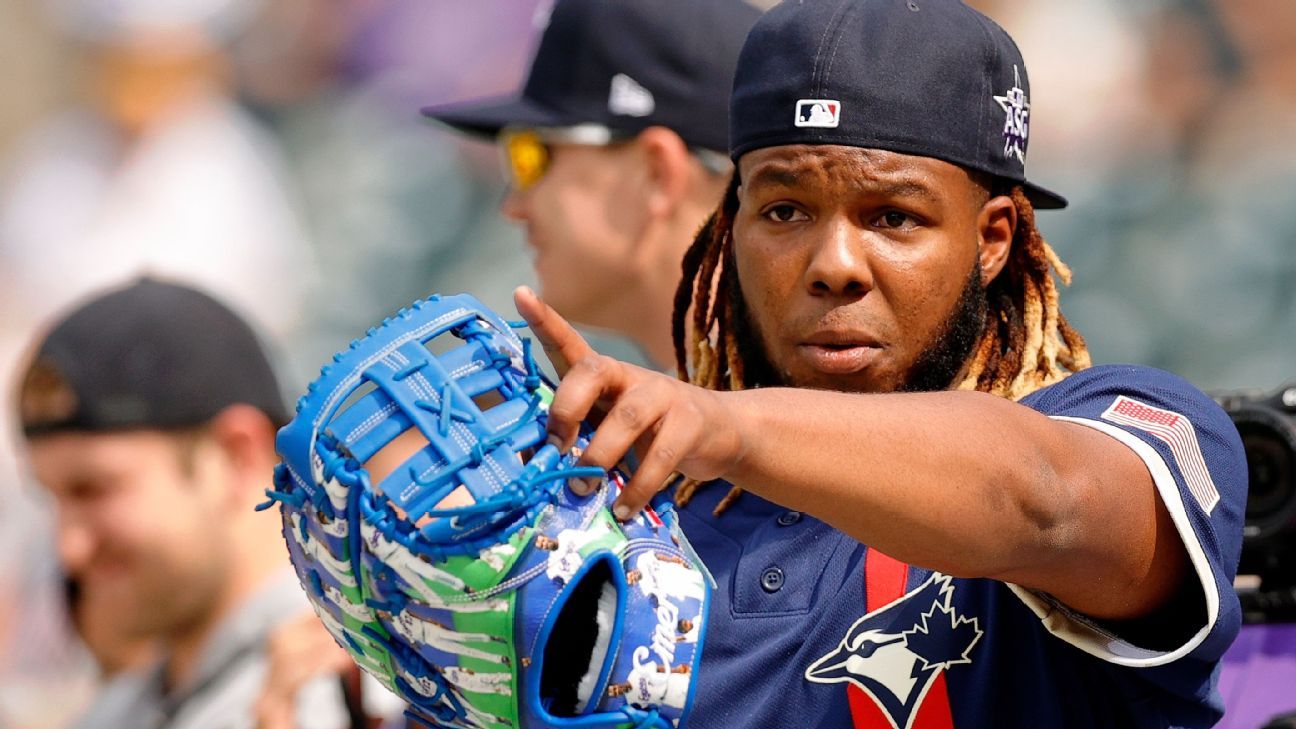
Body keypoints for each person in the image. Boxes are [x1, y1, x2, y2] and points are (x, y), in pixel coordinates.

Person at [512, 1, 1249, 727]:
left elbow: (1044, 500)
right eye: (785, 212)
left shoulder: (1146, 424)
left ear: (991, 239)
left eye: (893, 216)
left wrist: (728, 425)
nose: (834, 265)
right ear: (731, 225)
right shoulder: (617, 517)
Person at [13, 278, 361, 729]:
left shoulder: (349, 688)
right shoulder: (134, 701)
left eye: (93, 489)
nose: (70, 549)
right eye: (54, 499)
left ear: (237, 456)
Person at [422, 0, 761, 370]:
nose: (512, 207)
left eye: (531, 155)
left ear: (656, 173)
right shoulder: (769, 394)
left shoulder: (781, 407)